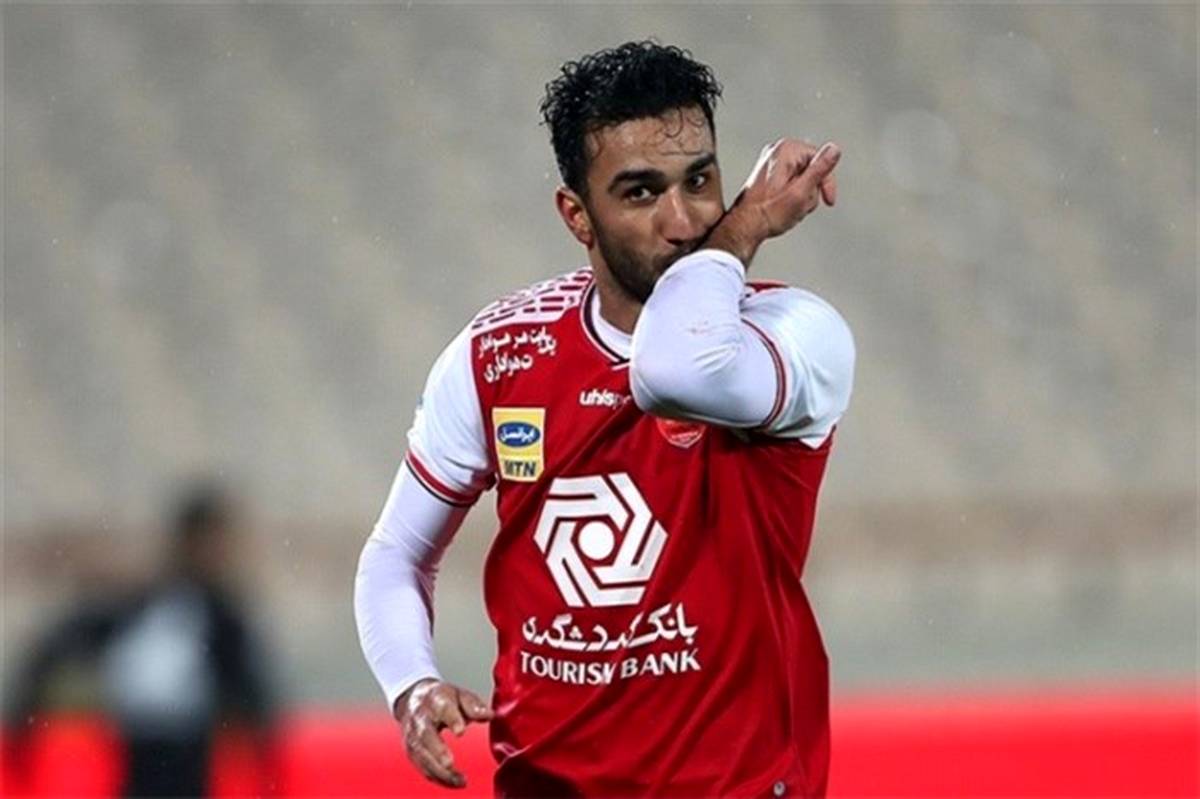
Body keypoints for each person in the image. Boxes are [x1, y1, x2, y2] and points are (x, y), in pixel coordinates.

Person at [355, 40, 855, 797]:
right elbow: (397, 552)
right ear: (576, 216)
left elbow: (673, 370)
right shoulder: (500, 353)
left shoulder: (794, 333)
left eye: (700, 181)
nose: (683, 221)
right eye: (641, 192)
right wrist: (411, 684)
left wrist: (746, 226)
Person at [4, 481, 277, 798]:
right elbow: (57, 650)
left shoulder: (218, 615)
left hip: (187, 761)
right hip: (142, 757)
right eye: (212, 542)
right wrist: (25, 718)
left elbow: (251, 691)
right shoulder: (143, 606)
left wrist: (258, 748)